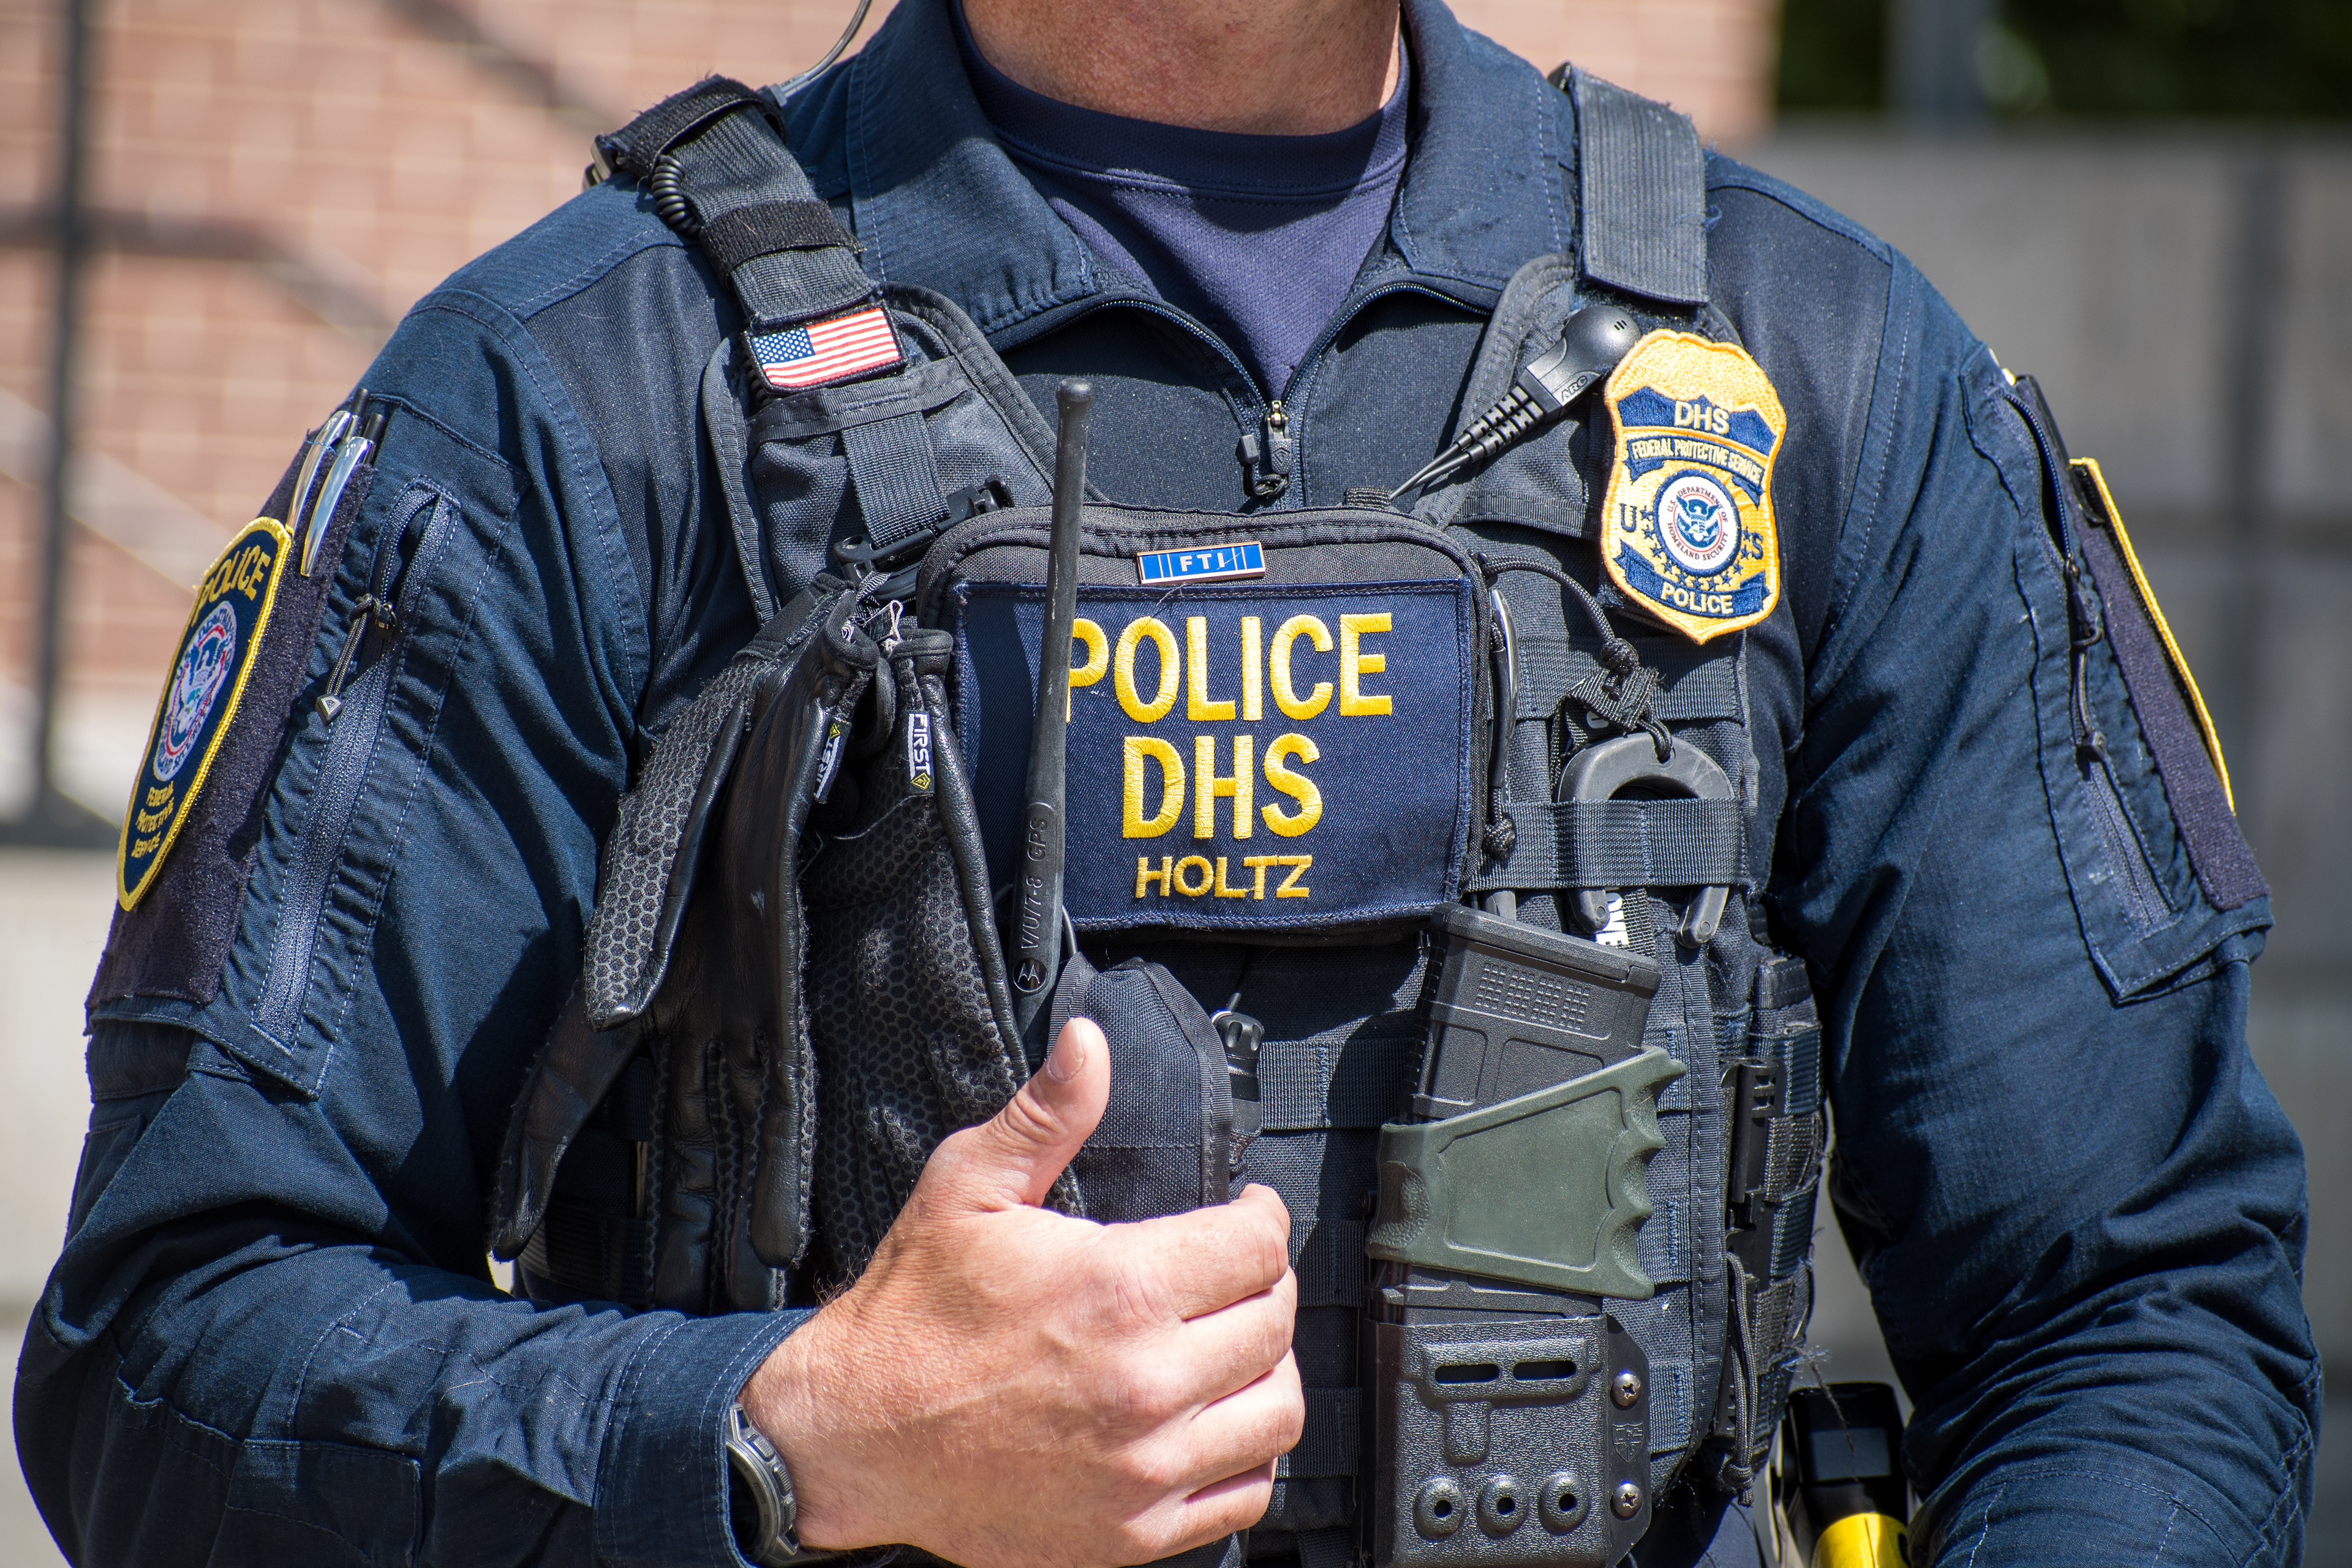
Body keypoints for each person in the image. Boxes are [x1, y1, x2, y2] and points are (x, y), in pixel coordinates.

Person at [15, 0, 2318, 1560]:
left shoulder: (1817, 371)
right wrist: (788, 1439)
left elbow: (2130, 1309)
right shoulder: (576, 404)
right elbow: (167, 1353)